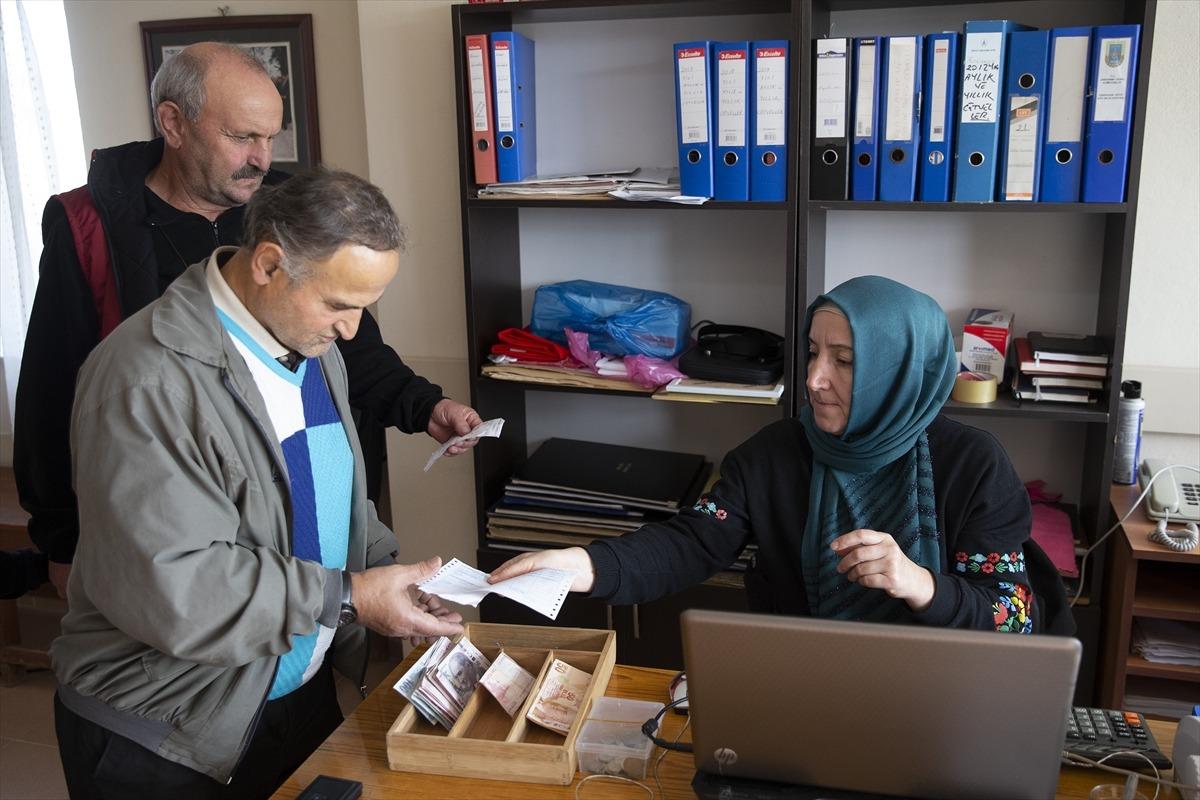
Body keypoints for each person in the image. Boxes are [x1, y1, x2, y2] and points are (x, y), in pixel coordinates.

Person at [51, 169, 466, 798]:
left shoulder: (308, 344)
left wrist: (394, 578)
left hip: (291, 695)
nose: (352, 330)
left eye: (364, 306)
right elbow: (181, 588)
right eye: (339, 304)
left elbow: (329, 494)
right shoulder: (146, 380)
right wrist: (352, 596)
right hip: (166, 729)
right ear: (269, 264)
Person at [14, 41, 480, 599]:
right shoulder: (86, 222)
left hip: (293, 494)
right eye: (242, 137)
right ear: (173, 123)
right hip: (175, 502)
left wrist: (422, 404)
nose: (262, 158)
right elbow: (51, 384)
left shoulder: (284, 204)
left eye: (270, 136)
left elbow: (350, 340)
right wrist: (61, 540)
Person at [491, 275, 1059, 633]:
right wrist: (584, 565)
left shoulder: (972, 463)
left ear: (900, 369)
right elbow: (692, 542)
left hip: (944, 694)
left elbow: (1014, 614)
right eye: (812, 352)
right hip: (804, 688)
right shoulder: (776, 453)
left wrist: (919, 583)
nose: (813, 379)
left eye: (845, 360)